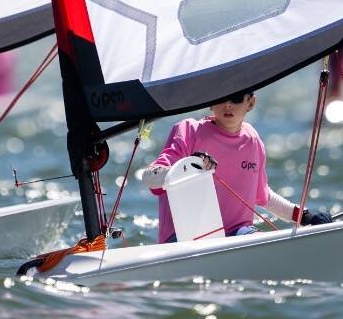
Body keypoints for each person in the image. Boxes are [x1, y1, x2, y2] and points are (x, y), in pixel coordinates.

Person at [142, 91, 333, 241]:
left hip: (238, 233)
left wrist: (305, 216)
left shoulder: (253, 140)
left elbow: (263, 196)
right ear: (210, 102)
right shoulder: (189, 130)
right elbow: (149, 177)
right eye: (221, 98)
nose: (228, 105)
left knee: (261, 242)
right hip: (185, 238)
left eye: (236, 98)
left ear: (251, 103)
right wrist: (188, 166)